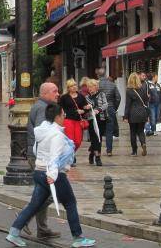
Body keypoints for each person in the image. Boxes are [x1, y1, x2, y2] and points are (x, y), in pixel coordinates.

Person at [6, 103, 96, 248]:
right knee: (70, 203)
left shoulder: (42, 131)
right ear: (57, 117)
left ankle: (14, 232)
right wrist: (53, 175)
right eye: (63, 115)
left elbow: (36, 151)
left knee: (34, 205)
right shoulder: (57, 135)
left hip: (39, 171)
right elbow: (54, 157)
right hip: (53, 174)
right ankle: (78, 238)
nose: (64, 117)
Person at [24, 82, 61, 240]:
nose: (58, 94)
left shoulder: (42, 106)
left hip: (38, 156)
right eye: (54, 91)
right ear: (44, 93)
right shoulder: (43, 108)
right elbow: (43, 133)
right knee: (52, 193)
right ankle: (26, 217)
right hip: (41, 157)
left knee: (41, 192)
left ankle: (42, 229)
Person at [59, 79, 91, 164]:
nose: (74, 87)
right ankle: (71, 157)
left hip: (78, 121)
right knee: (71, 140)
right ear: (68, 88)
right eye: (72, 86)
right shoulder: (64, 97)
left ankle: (71, 153)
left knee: (78, 141)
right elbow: (60, 109)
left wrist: (84, 110)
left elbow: (85, 107)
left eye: (75, 85)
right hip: (68, 120)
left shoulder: (81, 96)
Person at [124, 72, 149, 156]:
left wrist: (125, 116)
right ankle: (143, 143)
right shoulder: (143, 88)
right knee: (141, 131)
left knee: (133, 132)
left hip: (133, 114)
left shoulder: (129, 90)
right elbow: (146, 101)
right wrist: (147, 115)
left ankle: (134, 151)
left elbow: (127, 104)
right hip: (142, 113)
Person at [84, 78, 108, 166]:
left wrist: (98, 109)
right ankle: (98, 157)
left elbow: (106, 104)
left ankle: (92, 153)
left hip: (101, 119)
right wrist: (86, 108)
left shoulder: (101, 94)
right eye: (89, 87)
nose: (90, 88)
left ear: (96, 87)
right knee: (95, 138)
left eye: (92, 86)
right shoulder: (86, 97)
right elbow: (84, 109)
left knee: (99, 138)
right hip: (91, 120)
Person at [97, 67, 120, 155]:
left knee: (98, 130)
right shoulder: (112, 84)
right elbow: (118, 97)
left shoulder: (96, 85)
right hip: (110, 108)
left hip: (99, 109)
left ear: (98, 75)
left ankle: (98, 150)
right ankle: (109, 150)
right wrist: (115, 107)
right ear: (106, 74)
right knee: (109, 131)